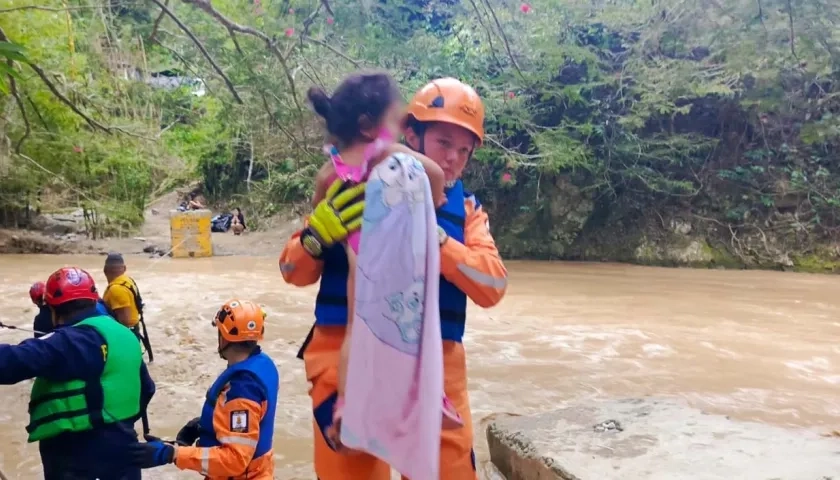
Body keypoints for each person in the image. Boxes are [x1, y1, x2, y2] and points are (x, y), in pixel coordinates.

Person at [279, 77, 508, 480]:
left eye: (464, 151)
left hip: (439, 370)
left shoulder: (466, 209)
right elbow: (291, 272)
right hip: (341, 358)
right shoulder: (345, 185)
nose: (454, 158)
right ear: (411, 134)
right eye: (443, 144)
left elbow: (492, 287)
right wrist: (316, 236)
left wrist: (434, 240)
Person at [305, 74, 449, 435]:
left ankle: (345, 407)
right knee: (415, 327)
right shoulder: (388, 152)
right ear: (370, 127)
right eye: (393, 121)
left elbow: (320, 210)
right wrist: (434, 201)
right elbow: (433, 172)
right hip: (397, 258)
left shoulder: (330, 169)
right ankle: (430, 398)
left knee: (356, 331)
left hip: (358, 260)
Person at [0, 267, 156, 479]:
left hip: (74, 454)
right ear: (94, 300)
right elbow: (147, 388)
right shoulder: (124, 335)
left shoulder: (69, 341)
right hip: (125, 447)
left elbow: (11, 362)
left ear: (53, 310)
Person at [125, 300, 279, 479]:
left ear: (225, 336)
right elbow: (253, 420)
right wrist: (205, 424)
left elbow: (235, 461)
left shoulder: (243, 389)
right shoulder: (262, 364)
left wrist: (173, 454)